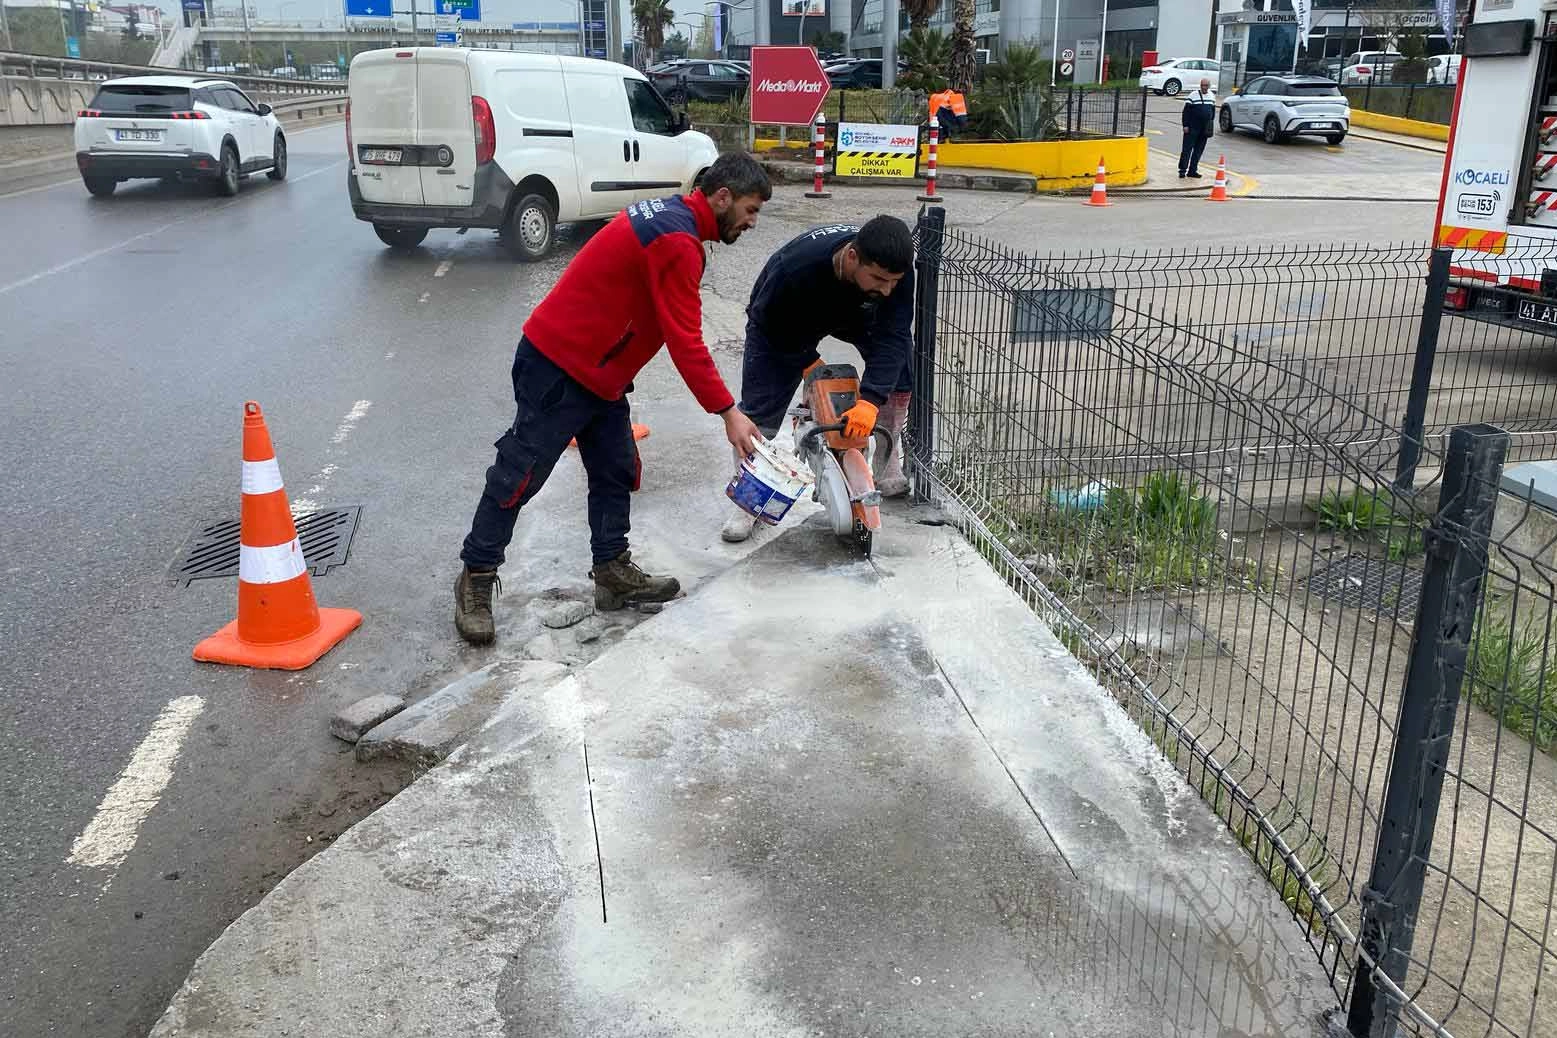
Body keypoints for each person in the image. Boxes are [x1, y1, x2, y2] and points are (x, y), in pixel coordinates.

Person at [454, 154, 771, 645]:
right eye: (750, 210)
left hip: (600, 372)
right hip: (558, 365)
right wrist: (728, 411)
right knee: (519, 475)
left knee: (615, 469)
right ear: (722, 197)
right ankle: (475, 578)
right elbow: (686, 340)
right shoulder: (677, 241)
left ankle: (612, 573)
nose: (752, 223)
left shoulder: (671, 217)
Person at [720, 216, 915, 544]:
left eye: (893, 282)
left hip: (856, 312)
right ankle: (749, 497)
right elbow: (769, 322)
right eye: (880, 279)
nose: (887, 289)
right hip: (785, 316)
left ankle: (884, 461)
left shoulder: (894, 272)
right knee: (760, 408)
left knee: (900, 369)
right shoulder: (795, 269)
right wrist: (809, 366)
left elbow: (893, 336)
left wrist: (869, 401)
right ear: (852, 257)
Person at [1179, 77, 1216, 179]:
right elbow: (1186, 112)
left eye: (1206, 85)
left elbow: (1212, 112)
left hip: (1204, 129)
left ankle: (1192, 170)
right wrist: (1185, 125)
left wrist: (1210, 125)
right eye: (1202, 85)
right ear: (1200, 86)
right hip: (1192, 127)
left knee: (1198, 150)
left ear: (1209, 86)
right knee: (1187, 149)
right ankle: (1182, 170)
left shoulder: (1212, 96)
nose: (1204, 87)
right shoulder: (1193, 95)